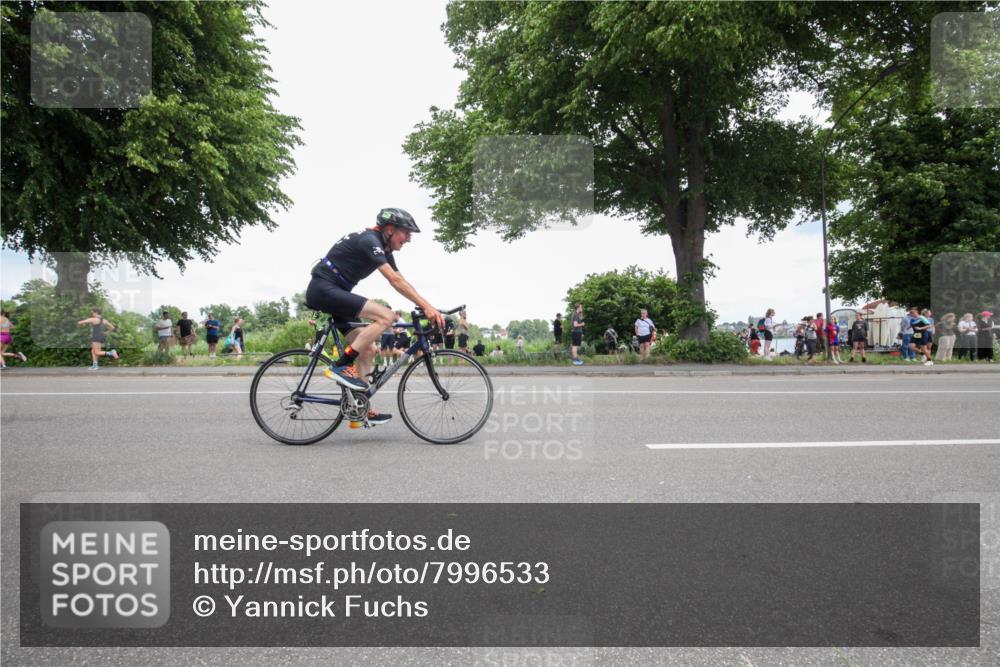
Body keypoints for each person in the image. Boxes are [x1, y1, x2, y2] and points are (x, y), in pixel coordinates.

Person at [304, 208, 443, 426]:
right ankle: (341, 365)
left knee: (367, 348)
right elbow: (394, 281)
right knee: (387, 317)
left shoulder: (383, 248)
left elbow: (401, 280)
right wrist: (427, 307)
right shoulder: (370, 240)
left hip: (335, 291)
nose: (408, 239)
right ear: (389, 229)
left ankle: (358, 409)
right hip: (324, 289)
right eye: (406, 233)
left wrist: (428, 306)